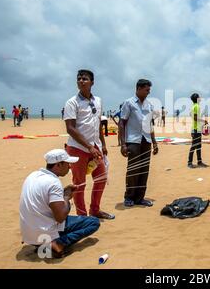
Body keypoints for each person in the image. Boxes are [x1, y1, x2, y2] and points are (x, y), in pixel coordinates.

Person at [19, 149, 100, 258]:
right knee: (94, 222)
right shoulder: (53, 183)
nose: (70, 167)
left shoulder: (33, 175)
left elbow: (43, 198)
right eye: (67, 164)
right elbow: (60, 217)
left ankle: (46, 243)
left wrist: (63, 193)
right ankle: (58, 243)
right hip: (44, 233)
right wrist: (66, 197)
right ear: (58, 165)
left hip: (29, 235)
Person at [64, 69, 114, 220]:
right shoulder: (72, 102)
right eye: (79, 78)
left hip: (95, 145)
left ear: (92, 82)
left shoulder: (97, 101)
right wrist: (89, 147)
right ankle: (82, 216)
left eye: (85, 79)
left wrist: (102, 144)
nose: (81, 81)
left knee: (101, 177)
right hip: (77, 148)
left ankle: (95, 210)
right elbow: (70, 128)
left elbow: (97, 124)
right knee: (79, 184)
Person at [119, 79, 159, 207]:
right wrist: (123, 144)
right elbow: (122, 123)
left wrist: (154, 142)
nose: (149, 92)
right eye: (147, 90)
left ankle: (140, 198)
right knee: (133, 170)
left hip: (146, 141)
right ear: (139, 89)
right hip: (133, 141)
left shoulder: (149, 105)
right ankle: (129, 197)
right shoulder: (128, 103)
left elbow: (150, 125)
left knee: (144, 170)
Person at [187, 93, 209, 169]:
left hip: (196, 129)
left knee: (199, 146)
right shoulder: (196, 106)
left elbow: (191, 115)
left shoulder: (193, 106)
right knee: (194, 146)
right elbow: (195, 118)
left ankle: (199, 162)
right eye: (199, 97)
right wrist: (204, 121)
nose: (200, 98)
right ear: (197, 99)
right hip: (196, 129)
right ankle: (189, 163)